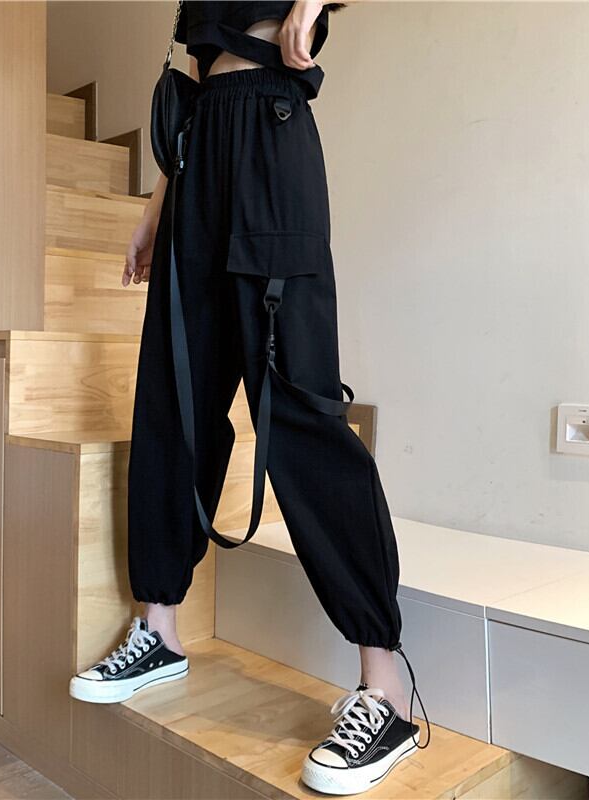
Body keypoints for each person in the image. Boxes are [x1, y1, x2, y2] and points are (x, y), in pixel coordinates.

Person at [70, 1, 429, 793]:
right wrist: (157, 206)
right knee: (174, 403)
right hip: (197, 159)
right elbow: (197, 78)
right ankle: (160, 630)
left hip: (272, 137)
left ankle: (386, 689)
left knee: (300, 414)